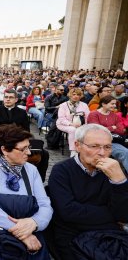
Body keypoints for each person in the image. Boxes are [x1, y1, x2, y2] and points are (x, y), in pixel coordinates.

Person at [0, 124, 53, 259]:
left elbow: (45, 204)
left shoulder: (31, 170)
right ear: (5, 150)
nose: (29, 153)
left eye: (28, 147)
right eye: (23, 149)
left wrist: (35, 223)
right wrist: (20, 231)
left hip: (28, 228)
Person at [48, 124, 128, 259]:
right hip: (73, 235)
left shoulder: (114, 169)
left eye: (107, 147)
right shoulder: (62, 170)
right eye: (94, 146)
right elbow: (68, 212)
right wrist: (111, 216)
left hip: (109, 234)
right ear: (78, 146)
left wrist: (119, 182)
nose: (102, 152)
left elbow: (123, 215)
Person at [87, 95, 128, 170]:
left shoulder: (114, 115)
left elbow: (121, 130)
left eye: (115, 104)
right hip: (96, 141)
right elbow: (97, 130)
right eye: (112, 104)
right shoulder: (93, 114)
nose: (114, 106)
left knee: (125, 152)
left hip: (112, 141)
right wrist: (112, 127)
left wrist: (106, 129)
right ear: (103, 104)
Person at [56, 88, 91, 157]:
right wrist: (71, 124)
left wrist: (85, 125)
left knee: (87, 130)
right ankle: (73, 150)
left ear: (80, 96)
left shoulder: (84, 105)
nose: (76, 96)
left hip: (80, 124)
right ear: (70, 95)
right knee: (73, 130)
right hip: (64, 124)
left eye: (78, 95)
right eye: (74, 94)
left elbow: (88, 117)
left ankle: (84, 149)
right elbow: (61, 118)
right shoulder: (63, 105)